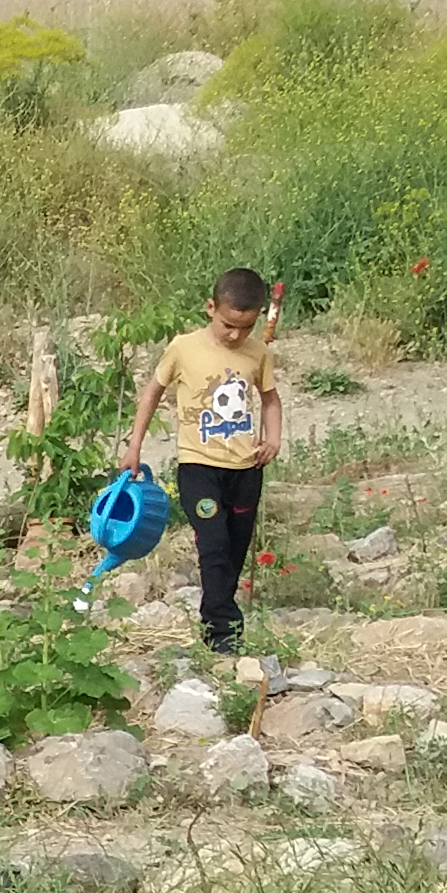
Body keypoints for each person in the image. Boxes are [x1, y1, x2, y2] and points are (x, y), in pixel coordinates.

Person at [124, 267, 283, 655]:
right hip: (198, 468)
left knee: (234, 549)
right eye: (228, 324)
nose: (235, 335)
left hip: (246, 470)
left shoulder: (258, 353)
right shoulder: (183, 347)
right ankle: (224, 633)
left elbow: (270, 400)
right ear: (211, 307)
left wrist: (273, 438)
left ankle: (214, 619)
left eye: (245, 328)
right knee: (212, 542)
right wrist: (134, 447)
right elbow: (152, 393)